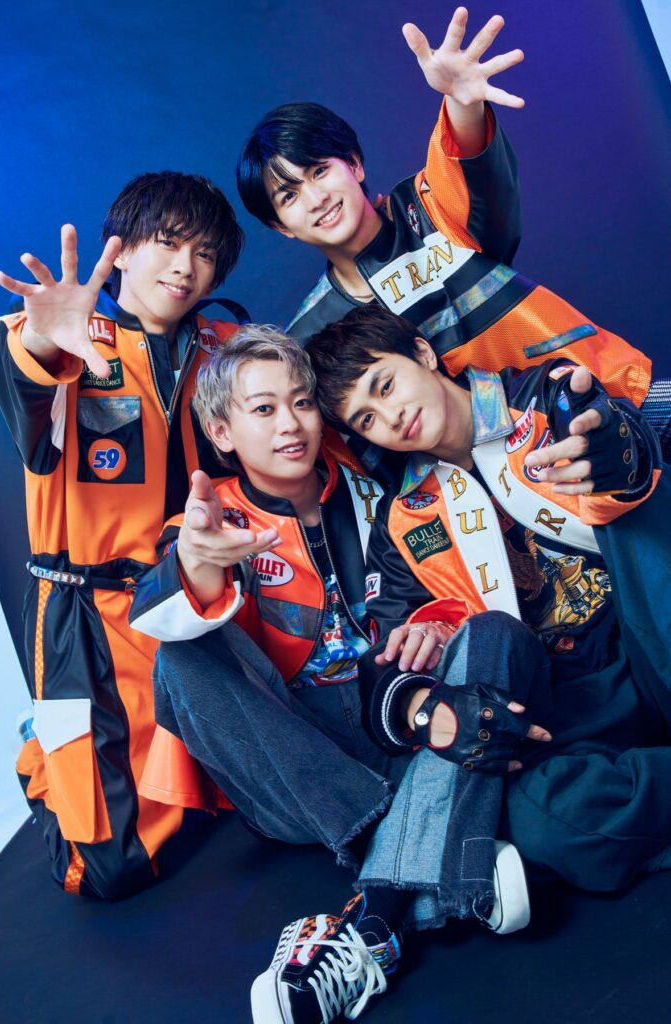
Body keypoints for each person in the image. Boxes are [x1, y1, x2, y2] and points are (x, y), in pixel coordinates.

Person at [129, 325, 553, 1023]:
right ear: (222, 432)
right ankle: (423, 861)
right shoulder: (208, 519)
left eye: (301, 402)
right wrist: (199, 562)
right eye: (263, 409)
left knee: (497, 636)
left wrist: (435, 624)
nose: (290, 424)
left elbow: (439, 578)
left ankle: (382, 907)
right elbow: (155, 610)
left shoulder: (374, 478)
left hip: (408, 724)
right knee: (181, 655)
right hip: (300, 769)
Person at [305, 302, 671, 894]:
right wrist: (421, 700)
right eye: (366, 419)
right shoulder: (402, 520)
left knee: (644, 505)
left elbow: (613, 432)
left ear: (423, 353)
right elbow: (382, 666)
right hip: (573, 694)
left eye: (386, 385)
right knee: (543, 820)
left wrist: (617, 454)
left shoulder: (542, 395)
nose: (391, 417)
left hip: (648, 621)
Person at [236, 7, 670, 469]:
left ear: (355, 164)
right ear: (281, 226)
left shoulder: (428, 208)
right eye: (289, 196)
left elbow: (466, 167)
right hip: (507, 487)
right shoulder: (311, 335)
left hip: (609, 396)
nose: (316, 197)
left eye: (320, 171)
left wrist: (463, 102)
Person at [0, 171, 245, 899]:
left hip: (190, 597)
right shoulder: (69, 339)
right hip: (87, 617)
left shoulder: (222, 346)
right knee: (107, 868)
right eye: (167, 242)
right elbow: (27, 381)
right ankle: (42, 753)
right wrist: (44, 336)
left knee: (223, 796)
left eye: (204, 253)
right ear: (122, 250)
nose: (185, 267)